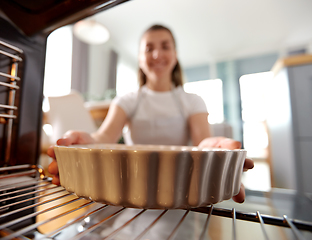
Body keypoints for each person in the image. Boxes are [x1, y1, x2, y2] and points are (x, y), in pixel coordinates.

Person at [47, 24, 254, 204]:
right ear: (140, 58)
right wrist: (86, 140)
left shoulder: (193, 101)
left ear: (175, 54)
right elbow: (103, 138)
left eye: (165, 46)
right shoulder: (127, 100)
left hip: (182, 195)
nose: (157, 54)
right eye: (149, 49)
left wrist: (215, 154)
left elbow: (203, 142)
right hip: (131, 194)